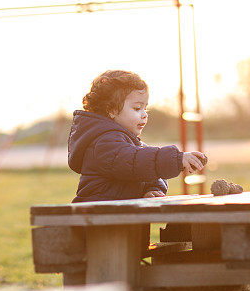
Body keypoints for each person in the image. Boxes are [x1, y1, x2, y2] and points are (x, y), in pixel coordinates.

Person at [69, 69, 206, 203]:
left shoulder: (127, 143)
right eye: (137, 108)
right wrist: (176, 159)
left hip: (120, 217)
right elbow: (134, 161)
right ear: (112, 110)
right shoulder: (103, 143)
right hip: (96, 218)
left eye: (145, 108)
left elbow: (145, 170)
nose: (144, 114)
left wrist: (151, 189)